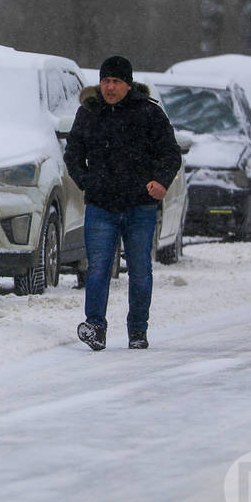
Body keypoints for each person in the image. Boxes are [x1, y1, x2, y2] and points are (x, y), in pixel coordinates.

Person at [64, 55, 182, 351]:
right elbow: (73, 154)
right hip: (101, 206)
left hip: (139, 206)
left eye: (116, 81)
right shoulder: (89, 114)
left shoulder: (149, 114)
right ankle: (95, 327)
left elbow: (170, 153)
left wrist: (161, 182)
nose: (110, 87)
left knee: (140, 269)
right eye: (105, 81)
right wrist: (86, 181)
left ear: (128, 85)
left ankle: (138, 330)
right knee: (99, 268)